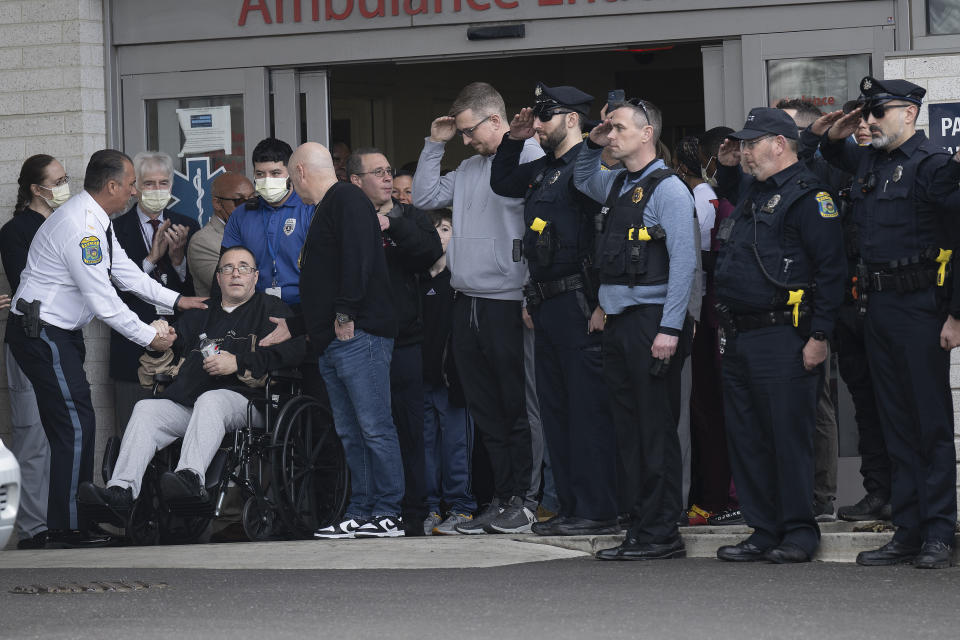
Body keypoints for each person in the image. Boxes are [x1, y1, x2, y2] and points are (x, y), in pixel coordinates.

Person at [5, 149, 206, 548]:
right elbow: (104, 301)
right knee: (76, 424)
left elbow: (125, 271)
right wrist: (150, 336)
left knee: (75, 422)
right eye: (131, 184)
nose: (134, 192)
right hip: (42, 331)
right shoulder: (84, 225)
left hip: (52, 331)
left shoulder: (93, 216)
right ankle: (68, 528)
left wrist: (175, 301)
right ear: (112, 185)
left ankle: (71, 523)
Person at [812, 77, 958, 569]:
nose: (869, 122)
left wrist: (956, 314)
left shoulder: (935, 166)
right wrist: (842, 127)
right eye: (866, 113)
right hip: (876, 308)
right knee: (896, 425)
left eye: (878, 112)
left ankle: (939, 533)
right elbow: (826, 151)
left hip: (921, 309)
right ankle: (908, 531)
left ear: (910, 115)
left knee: (929, 426)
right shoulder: (870, 162)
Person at [711, 107, 845, 564]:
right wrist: (731, 169)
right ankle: (763, 528)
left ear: (779, 144)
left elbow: (831, 271)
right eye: (743, 143)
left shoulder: (809, 197)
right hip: (742, 335)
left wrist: (820, 335)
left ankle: (798, 531)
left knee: (788, 437)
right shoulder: (755, 192)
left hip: (785, 335)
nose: (744, 151)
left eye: (752, 143)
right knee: (748, 436)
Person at [77, 246, 305, 512]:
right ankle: (122, 491)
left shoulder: (272, 309)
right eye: (227, 268)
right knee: (147, 409)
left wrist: (238, 362)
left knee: (212, 400)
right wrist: (157, 342)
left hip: (248, 403)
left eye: (244, 267)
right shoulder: (199, 312)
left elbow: (294, 353)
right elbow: (168, 350)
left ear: (255, 277)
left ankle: (189, 478)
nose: (235, 274)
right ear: (218, 278)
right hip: (191, 403)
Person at [412, 82, 545, 535]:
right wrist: (435, 144)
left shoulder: (530, 158)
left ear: (495, 121)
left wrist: (530, 290)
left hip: (509, 301)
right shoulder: (469, 166)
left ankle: (525, 501)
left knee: (517, 407)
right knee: (486, 409)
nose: (465, 140)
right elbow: (427, 197)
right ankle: (502, 498)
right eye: (461, 134)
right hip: (466, 299)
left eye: (470, 131)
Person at [489, 82, 618, 536]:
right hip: (546, 302)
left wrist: (602, 300)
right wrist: (514, 138)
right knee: (556, 408)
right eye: (536, 116)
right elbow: (502, 182)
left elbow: (603, 237)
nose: (538, 123)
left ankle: (597, 508)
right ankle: (568, 505)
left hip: (580, 301)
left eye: (546, 116)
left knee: (586, 410)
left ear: (572, 119)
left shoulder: (591, 166)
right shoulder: (543, 169)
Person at [574, 97, 698, 560]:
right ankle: (640, 526)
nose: (614, 134)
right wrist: (592, 142)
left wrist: (669, 328)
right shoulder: (620, 184)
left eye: (621, 127)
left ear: (648, 134)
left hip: (653, 325)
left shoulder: (667, 189)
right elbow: (584, 179)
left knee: (654, 432)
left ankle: (662, 533)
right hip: (620, 324)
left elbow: (685, 263)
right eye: (610, 128)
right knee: (627, 430)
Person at [287, 142, 405, 539]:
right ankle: (362, 509)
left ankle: (389, 511)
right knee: (352, 431)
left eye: (290, 178)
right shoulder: (329, 206)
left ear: (301, 172)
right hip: (334, 340)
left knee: (373, 427)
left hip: (357, 334)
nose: (291, 187)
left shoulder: (347, 198)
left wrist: (345, 313)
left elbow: (359, 258)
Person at [347, 147, 443, 535]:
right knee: (366, 429)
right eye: (378, 172)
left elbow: (430, 252)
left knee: (408, 429)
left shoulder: (412, 217)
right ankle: (369, 509)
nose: (388, 178)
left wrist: (392, 226)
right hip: (362, 341)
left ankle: (413, 512)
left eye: (390, 171)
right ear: (355, 181)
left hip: (405, 342)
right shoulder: (348, 217)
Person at [0, 154, 67, 549]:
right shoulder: (16, 232)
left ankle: (61, 520)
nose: (62, 187)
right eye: (56, 181)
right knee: (32, 434)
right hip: (30, 339)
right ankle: (31, 528)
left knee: (64, 433)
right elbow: (35, 284)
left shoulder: (63, 223)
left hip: (62, 343)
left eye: (65, 179)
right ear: (34, 189)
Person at [109, 151, 200, 429]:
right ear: (135, 187)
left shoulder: (188, 225)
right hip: (132, 346)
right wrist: (150, 260)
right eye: (149, 184)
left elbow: (197, 288)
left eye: (163, 183)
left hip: (178, 343)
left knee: (178, 431)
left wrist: (178, 261)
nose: (157, 190)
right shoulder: (114, 228)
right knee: (131, 428)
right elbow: (111, 288)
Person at [672, 135, 720, 524]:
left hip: (699, 307)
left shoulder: (699, 198)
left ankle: (704, 495)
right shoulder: (703, 195)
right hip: (698, 305)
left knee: (699, 404)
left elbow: (692, 258)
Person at [421, 209, 477, 535]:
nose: (440, 235)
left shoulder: (461, 281)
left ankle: (462, 508)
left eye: (446, 228)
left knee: (458, 446)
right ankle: (431, 507)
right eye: (434, 229)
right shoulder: (413, 279)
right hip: (420, 379)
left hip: (453, 380)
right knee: (426, 448)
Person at [221, 137, 313, 306]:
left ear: (292, 173)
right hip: (254, 310)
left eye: (275, 173)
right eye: (260, 174)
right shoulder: (241, 214)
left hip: (304, 309)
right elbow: (225, 267)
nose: (267, 179)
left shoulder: (310, 208)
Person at [188, 172, 255, 297]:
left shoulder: (258, 229)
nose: (248, 207)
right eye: (239, 201)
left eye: (253, 200)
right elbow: (232, 286)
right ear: (217, 203)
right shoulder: (202, 241)